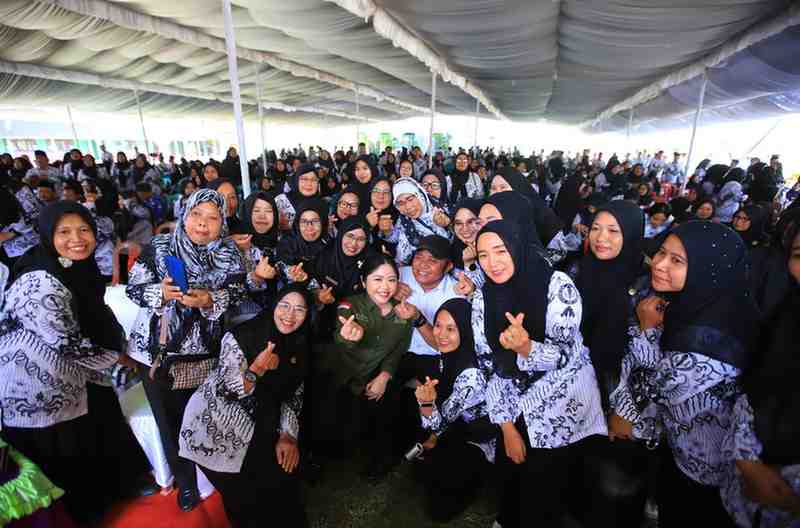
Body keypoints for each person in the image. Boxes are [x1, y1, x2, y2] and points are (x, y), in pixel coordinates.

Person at [610, 221, 758, 527]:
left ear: (710, 269)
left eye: (677, 260)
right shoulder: (706, 307)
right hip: (684, 459)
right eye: (661, 252)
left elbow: (648, 394)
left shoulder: (705, 343)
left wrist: (646, 333)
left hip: (703, 478)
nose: (660, 264)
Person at [0, 201, 140, 522]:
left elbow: (96, 313)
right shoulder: (41, 282)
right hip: (35, 385)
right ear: (49, 235)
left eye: (84, 230)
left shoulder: (74, 267)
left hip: (76, 374)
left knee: (100, 420)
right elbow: (68, 344)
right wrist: (120, 357)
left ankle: (113, 490)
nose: (77, 238)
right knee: (66, 457)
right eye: (64, 232)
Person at [472, 220, 606, 528]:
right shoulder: (484, 297)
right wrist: (506, 426)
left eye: (501, 251)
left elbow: (565, 356)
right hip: (511, 403)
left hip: (560, 406)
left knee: (545, 485)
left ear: (517, 247)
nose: (492, 263)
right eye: (483, 255)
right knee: (511, 474)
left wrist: (527, 348)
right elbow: (488, 363)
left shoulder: (557, 285)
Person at [125, 189, 247, 512]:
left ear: (222, 222)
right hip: (158, 353)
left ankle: (212, 473)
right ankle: (187, 484)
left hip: (206, 354)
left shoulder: (229, 253)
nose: (203, 225)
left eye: (212, 218)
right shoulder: (161, 246)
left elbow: (237, 290)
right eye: (197, 215)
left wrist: (210, 299)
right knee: (169, 422)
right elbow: (134, 288)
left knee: (201, 416)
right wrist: (160, 292)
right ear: (185, 214)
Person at [179, 285, 310, 527]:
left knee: (283, 481)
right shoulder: (242, 335)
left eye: (299, 309)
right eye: (284, 305)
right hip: (215, 425)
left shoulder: (300, 343)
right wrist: (256, 370)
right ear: (273, 306)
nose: (290, 315)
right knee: (245, 498)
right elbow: (230, 389)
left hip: (261, 419)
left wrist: (288, 434)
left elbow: (294, 393)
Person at [571, 201, 651, 526]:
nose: (601, 238)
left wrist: (626, 407)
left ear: (631, 234)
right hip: (578, 376)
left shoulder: (646, 281)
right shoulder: (579, 268)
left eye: (613, 230)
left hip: (620, 388)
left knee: (614, 467)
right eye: (596, 229)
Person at [721, 213, 800, 527]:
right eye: (799, 255)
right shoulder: (785, 322)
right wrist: (748, 462)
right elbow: (752, 393)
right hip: (744, 501)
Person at [311, 254, 413, 480]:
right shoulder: (350, 304)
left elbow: (398, 349)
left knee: (388, 407)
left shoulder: (403, 312)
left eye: (391, 279)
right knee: (331, 428)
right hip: (340, 378)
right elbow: (343, 330)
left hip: (370, 379)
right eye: (377, 279)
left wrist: (385, 376)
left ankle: (380, 461)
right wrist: (350, 336)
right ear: (364, 281)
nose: (385, 287)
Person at [413, 298, 495, 522]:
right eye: (438, 325)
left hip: (477, 439)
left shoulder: (472, 376)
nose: (440, 334)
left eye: (451, 328)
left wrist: (427, 405)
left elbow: (440, 425)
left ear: (466, 330)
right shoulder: (450, 354)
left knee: (439, 508)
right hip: (456, 426)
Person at [394, 235, 460, 385]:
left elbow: (442, 346)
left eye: (433, 260)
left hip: (434, 357)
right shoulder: (399, 275)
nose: (423, 265)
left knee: (434, 401)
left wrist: (418, 318)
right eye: (419, 257)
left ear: (448, 266)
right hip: (397, 353)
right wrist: (391, 289)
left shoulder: (456, 294)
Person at [227, 191, 281, 326]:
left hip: (279, 318)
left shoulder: (282, 244)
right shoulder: (235, 244)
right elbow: (230, 292)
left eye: (268, 211)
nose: (262, 216)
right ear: (247, 213)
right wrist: (256, 276)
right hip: (244, 320)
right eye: (256, 210)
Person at [384, 177, 450, 265]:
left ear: (420, 195)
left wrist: (448, 224)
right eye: (400, 203)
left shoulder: (441, 210)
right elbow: (396, 238)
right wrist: (387, 232)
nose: (407, 207)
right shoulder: (403, 221)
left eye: (410, 199)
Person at [275, 198, 329, 285]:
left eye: (315, 221)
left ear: (323, 223)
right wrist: (292, 272)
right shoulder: (287, 244)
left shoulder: (330, 244)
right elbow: (283, 268)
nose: (310, 227)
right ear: (297, 224)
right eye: (304, 222)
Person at [274, 163, 320, 230]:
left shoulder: (320, 205)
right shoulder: (282, 201)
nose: (309, 183)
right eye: (304, 179)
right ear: (296, 180)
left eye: (313, 180)